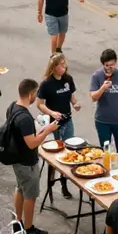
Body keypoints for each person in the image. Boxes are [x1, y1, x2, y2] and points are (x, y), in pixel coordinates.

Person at [6, 78, 59, 234]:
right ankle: (29, 228)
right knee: (30, 195)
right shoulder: (24, 118)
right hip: (26, 161)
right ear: (30, 94)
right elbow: (32, 143)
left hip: (16, 158)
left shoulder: (12, 107)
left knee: (20, 188)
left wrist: (38, 128)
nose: (36, 96)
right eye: (36, 93)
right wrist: (47, 130)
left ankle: (18, 221)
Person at [38, 53, 80, 199]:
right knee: (55, 154)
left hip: (67, 121)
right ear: (54, 67)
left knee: (68, 152)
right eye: (61, 65)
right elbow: (40, 104)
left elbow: (71, 97)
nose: (64, 67)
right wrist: (52, 113)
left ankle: (64, 183)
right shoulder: (46, 84)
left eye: (64, 64)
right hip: (54, 125)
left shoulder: (68, 79)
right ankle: (50, 182)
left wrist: (75, 104)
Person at [89, 48, 118, 167]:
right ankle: (106, 173)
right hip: (102, 121)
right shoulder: (97, 76)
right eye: (107, 65)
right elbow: (93, 97)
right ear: (103, 64)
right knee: (106, 151)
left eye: (112, 65)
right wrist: (103, 88)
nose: (110, 68)